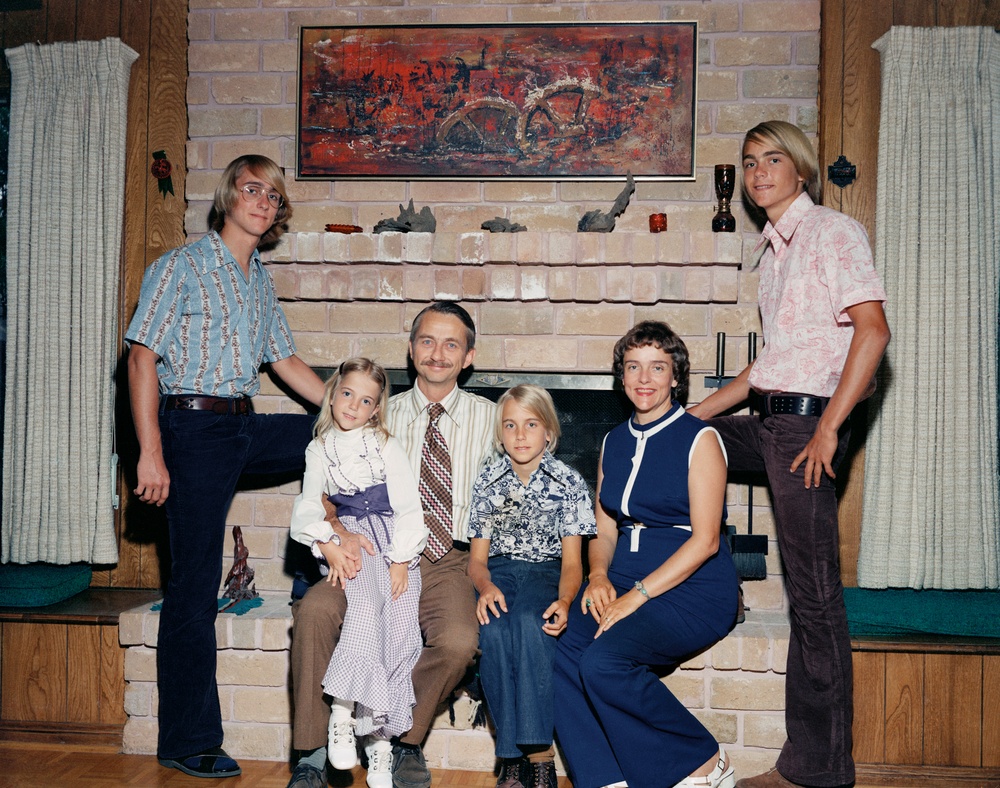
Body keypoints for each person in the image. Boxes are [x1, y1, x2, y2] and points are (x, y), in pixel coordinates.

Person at [688, 120, 890, 788]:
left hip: (807, 430)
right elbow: (765, 370)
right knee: (683, 446)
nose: (758, 171)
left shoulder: (832, 232)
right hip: (771, 420)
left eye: (773, 159)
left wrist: (832, 428)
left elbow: (873, 330)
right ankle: (687, 576)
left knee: (814, 599)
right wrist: (688, 420)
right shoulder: (771, 255)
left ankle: (819, 770)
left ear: (799, 169)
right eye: (749, 162)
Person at [125, 155, 327, 778]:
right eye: (251, 189)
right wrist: (151, 452)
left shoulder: (257, 277)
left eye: (273, 195)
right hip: (188, 429)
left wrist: (354, 414)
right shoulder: (180, 266)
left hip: (240, 424)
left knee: (328, 438)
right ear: (228, 196)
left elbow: (285, 361)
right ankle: (186, 742)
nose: (263, 201)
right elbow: (140, 359)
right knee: (192, 588)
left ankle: (333, 559)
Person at [287, 302, 496, 788]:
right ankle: (314, 753)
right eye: (427, 340)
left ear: (468, 356)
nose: (437, 353)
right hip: (366, 551)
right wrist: (338, 535)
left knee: (461, 641)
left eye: (451, 344)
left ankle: (398, 739)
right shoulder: (375, 410)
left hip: (449, 558)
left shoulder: (492, 418)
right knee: (316, 612)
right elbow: (320, 491)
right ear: (410, 348)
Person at [553, 320, 739, 788]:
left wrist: (635, 595)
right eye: (633, 367)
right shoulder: (613, 441)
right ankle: (605, 778)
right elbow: (605, 525)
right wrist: (598, 575)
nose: (644, 378)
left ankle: (701, 760)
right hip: (623, 577)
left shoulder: (701, 439)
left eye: (658, 367)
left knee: (603, 662)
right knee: (557, 652)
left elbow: (706, 541)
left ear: (676, 377)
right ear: (621, 376)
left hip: (692, 588)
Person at [289, 358, 428, 788]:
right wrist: (327, 544)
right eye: (347, 394)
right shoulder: (319, 448)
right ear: (333, 393)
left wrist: (402, 559)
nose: (353, 405)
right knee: (365, 604)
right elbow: (311, 505)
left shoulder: (385, 443)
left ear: (375, 409)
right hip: (353, 540)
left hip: (395, 539)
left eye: (365, 400)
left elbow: (408, 505)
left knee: (402, 623)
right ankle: (343, 711)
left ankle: (380, 742)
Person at [467, 385, 596, 788]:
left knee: (529, 621)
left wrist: (564, 599)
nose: (520, 435)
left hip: (547, 572)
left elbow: (574, 563)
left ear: (548, 432)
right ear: (500, 434)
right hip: (499, 572)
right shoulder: (488, 479)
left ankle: (539, 754)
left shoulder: (569, 483)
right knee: (493, 629)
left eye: (531, 424)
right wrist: (485, 586)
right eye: (510, 425)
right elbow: (476, 560)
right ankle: (509, 757)